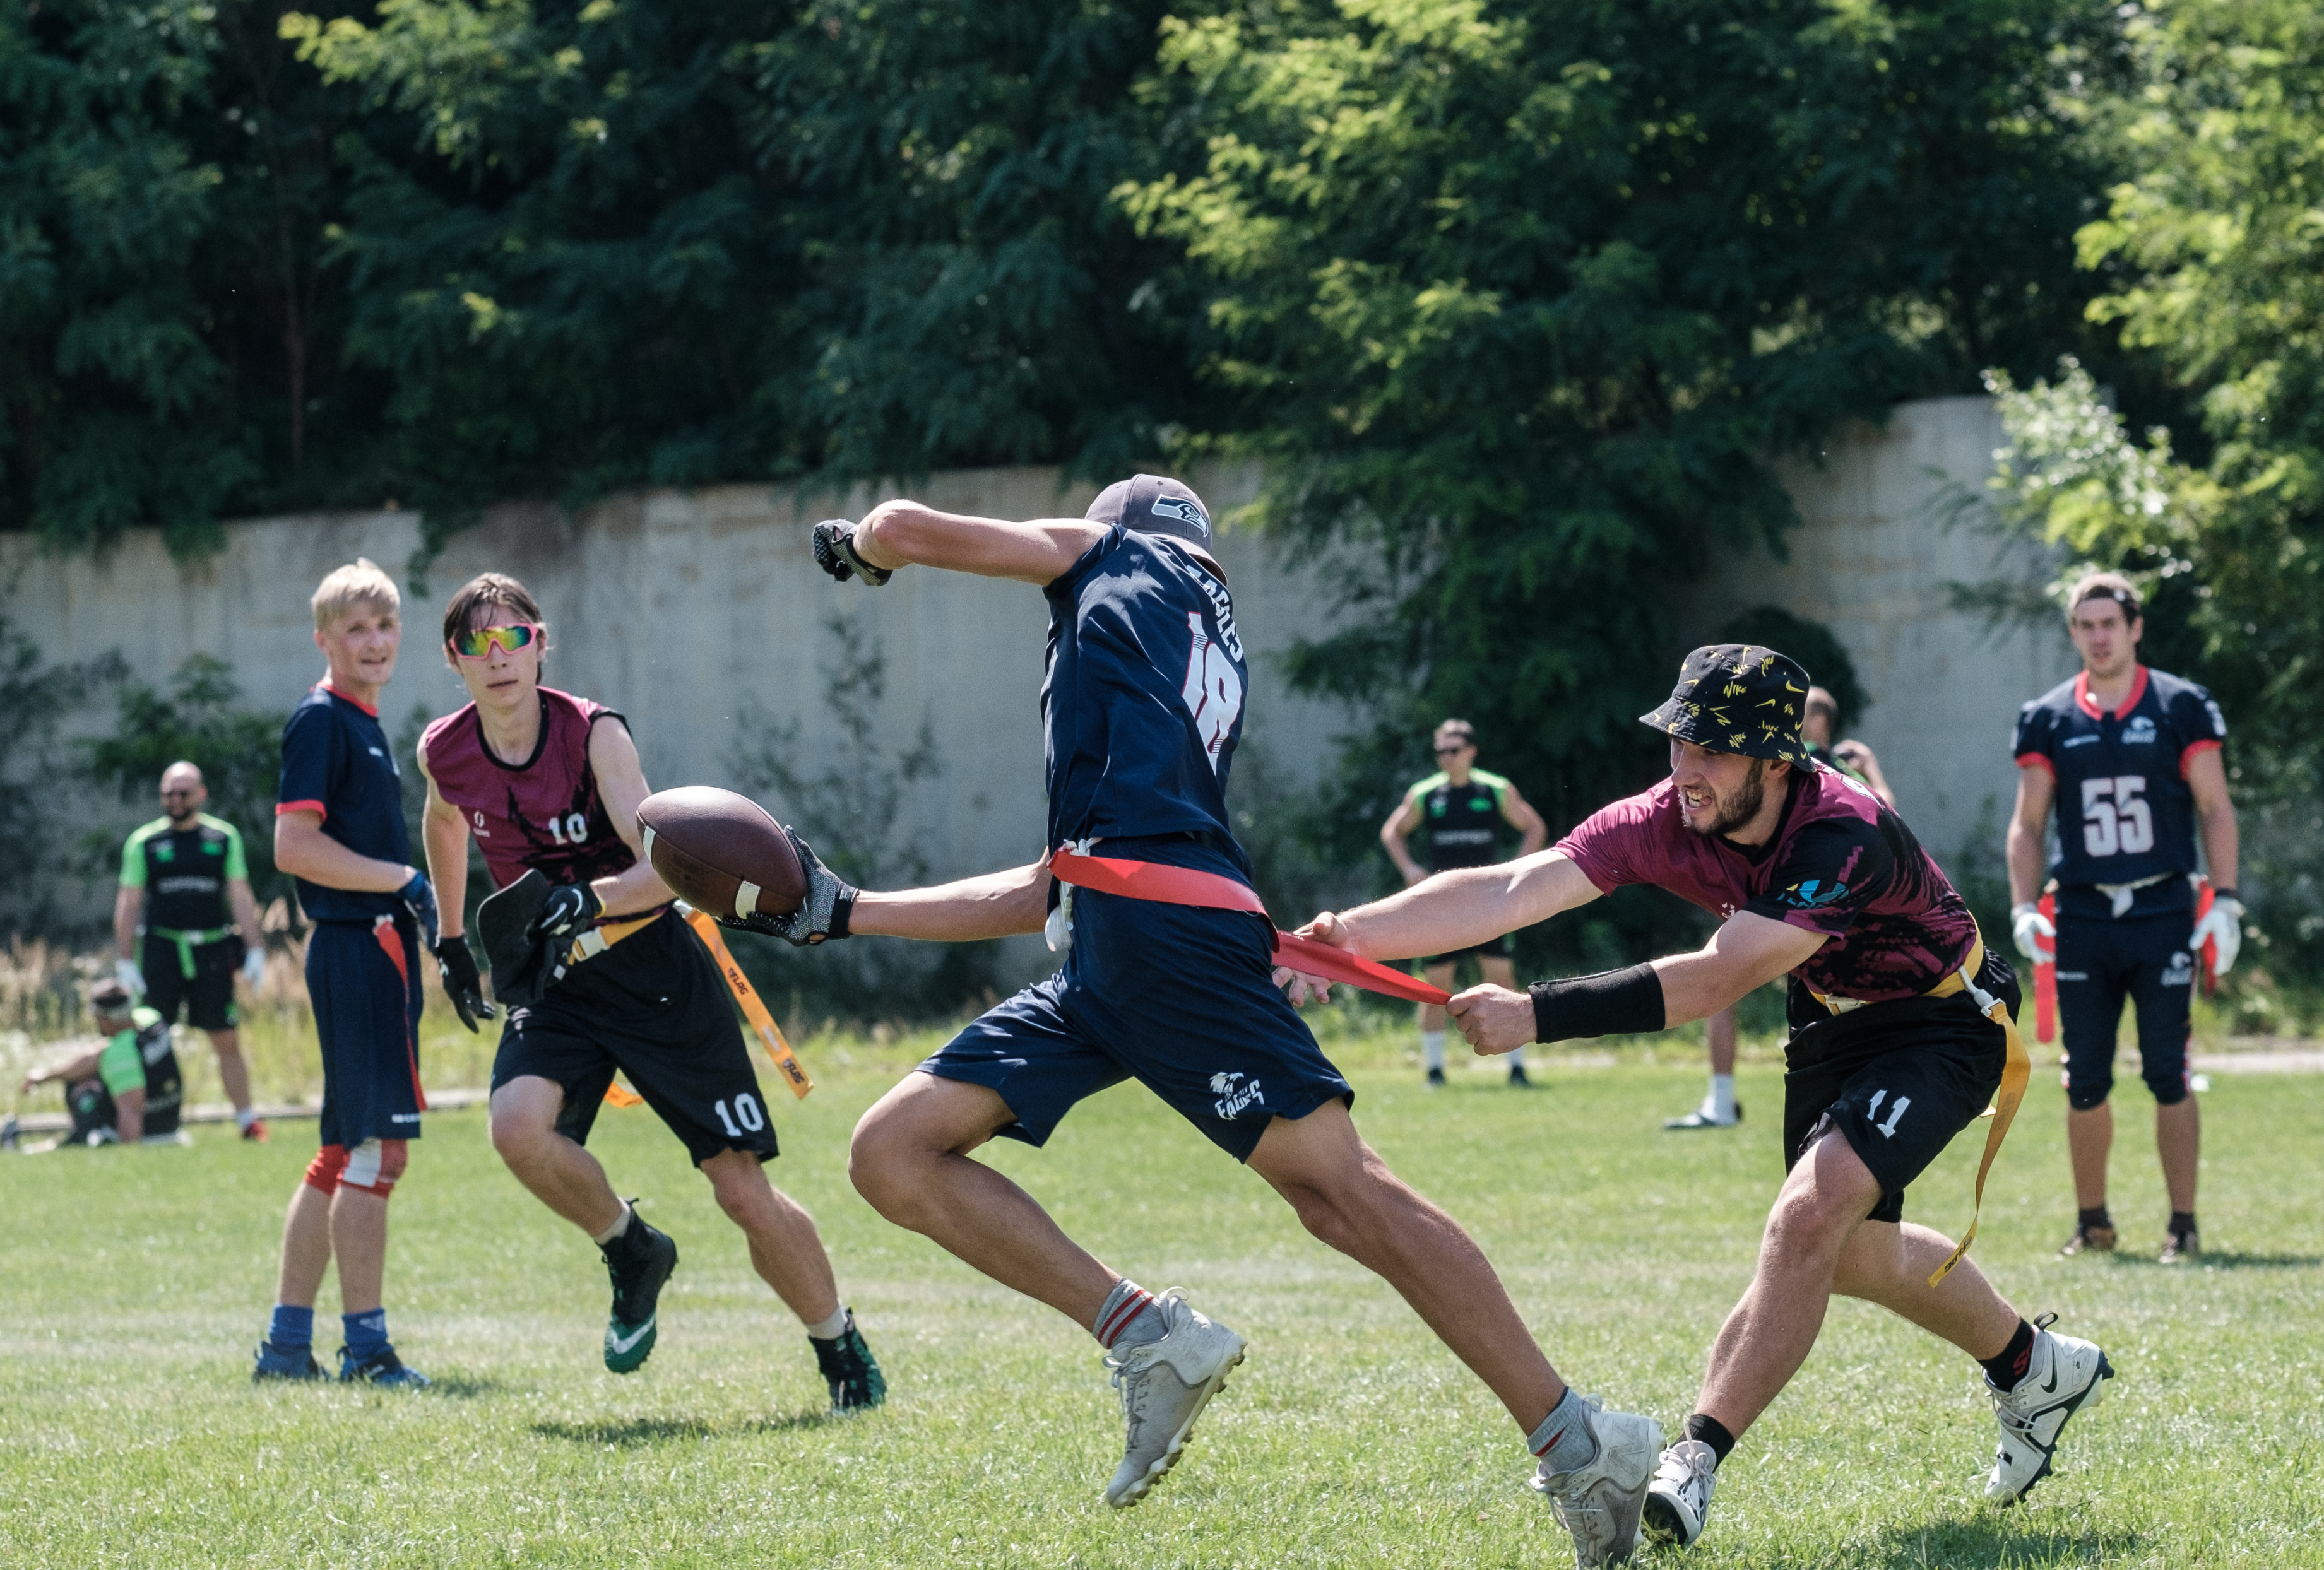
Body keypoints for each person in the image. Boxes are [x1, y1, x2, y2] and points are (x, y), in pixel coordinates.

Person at [768, 476, 1662, 1569]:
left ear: (1119, 530)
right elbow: (1063, 881)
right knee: (894, 1152)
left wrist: (859, 545)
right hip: (1120, 935)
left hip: (1154, 937)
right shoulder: (1190, 630)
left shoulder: (1106, 556)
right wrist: (849, 912)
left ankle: (1584, 1442)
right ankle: (1147, 1336)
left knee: (1344, 1192)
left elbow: (904, 526)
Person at [1298, 644, 2113, 1551]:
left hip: (1941, 1021)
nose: (1686, 769)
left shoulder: (1838, 832)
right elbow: (1516, 887)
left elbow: (1716, 981)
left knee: (1808, 1219)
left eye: (1712, 751)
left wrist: (1539, 1014)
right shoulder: (1670, 814)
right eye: (1679, 742)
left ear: (1776, 758)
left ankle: (1694, 1457)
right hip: (1831, 1021)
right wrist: (1347, 936)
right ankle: (2032, 1365)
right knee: (1849, 1256)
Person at [415, 574, 884, 1409]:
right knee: (517, 1130)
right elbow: (445, 818)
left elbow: (666, 871)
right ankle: (631, 1247)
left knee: (741, 1192)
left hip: (654, 975)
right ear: (454, 658)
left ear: (541, 645)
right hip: (556, 983)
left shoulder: (595, 735)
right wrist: (451, 938)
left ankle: (837, 1344)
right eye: (478, 645)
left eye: (514, 639)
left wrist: (584, 899)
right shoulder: (443, 748)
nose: (499, 659)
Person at [2005, 572, 2239, 1263]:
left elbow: (2215, 807)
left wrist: (2224, 898)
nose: (2099, 636)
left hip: (2164, 905)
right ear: (2074, 632)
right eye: (2086, 624)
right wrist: (2021, 906)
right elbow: (2028, 822)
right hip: (2082, 911)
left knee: (2170, 1068)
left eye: (2110, 622)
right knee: (2084, 1075)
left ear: (2136, 626)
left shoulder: (2180, 705)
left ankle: (2184, 1224)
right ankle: (2093, 1219)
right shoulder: (2048, 716)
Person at [251, 559, 437, 1388]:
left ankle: (288, 1349)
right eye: (355, 629)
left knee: (340, 1153)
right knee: (375, 1153)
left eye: (385, 626)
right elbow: (294, 848)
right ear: (322, 638)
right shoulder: (322, 720)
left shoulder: (365, 721)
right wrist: (402, 882)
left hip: (372, 951)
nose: (373, 642)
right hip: (355, 948)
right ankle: (366, 1349)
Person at [1668, 685, 1897, 1131]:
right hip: (1823, 911)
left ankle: (1721, 1100)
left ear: (1816, 722)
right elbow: (1888, 812)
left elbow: (1884, 819)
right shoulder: (1847, 767)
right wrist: (1872, 768)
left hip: (1785, 906)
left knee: (1718, 985)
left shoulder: (1800, 763)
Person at [1379, 719, 1548, 1087]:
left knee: (1502, 979)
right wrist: (1410, 869)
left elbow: (1534, 827)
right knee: (1435, 985)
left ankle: (1517, 1070)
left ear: (1471, 751)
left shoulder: (1494, 789)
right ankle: (1435, 1072)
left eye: (1453, 750)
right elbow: (1392, 831)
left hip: (1488, 902)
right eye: (1440, 751)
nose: (1447, 758)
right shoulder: (1427, 793)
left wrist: (1515, 871)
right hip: (1441, 906)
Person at [114, 762, 270, 1139]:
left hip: (212, 951)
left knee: (225, 1036)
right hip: (162, 950)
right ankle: (159, 1125)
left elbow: (239, 895)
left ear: (202, 794)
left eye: (183, 792)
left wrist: (256, 949)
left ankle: (247, 1120)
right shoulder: (144, 842)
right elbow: (129, 902)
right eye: (168, 793)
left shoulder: (222, 838)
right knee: (152, 1039)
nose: (175, 800)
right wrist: (124, 960)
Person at [18, 980, 183, 1147]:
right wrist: (46, 1077)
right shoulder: (151, 1019)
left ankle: (79, 1139)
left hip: (148, 1138)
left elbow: (131, 1113)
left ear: (106, 1019)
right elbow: (98, 1053)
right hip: (171, 1127)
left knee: (84, 1088)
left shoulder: (120, 1055)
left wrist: (129, 1155)